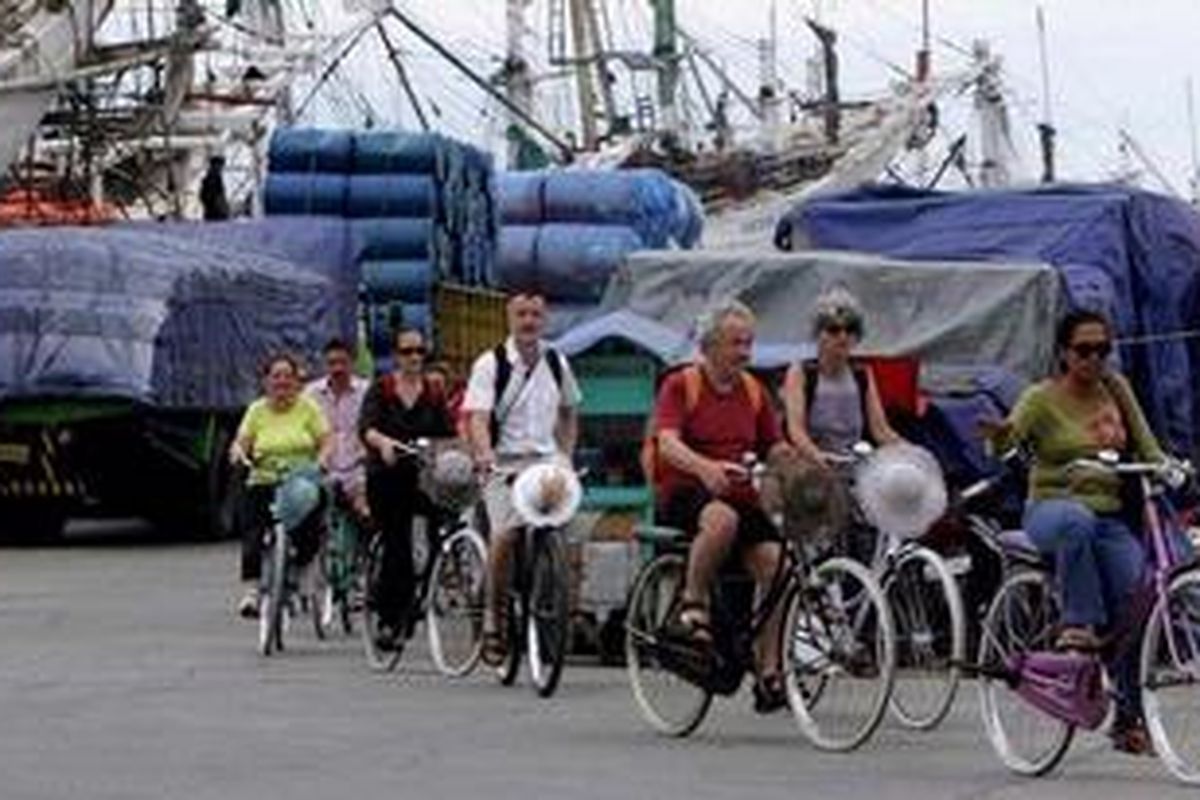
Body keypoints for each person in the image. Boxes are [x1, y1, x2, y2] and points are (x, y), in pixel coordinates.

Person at [982, 309, 1164, 755]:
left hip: (1107, 517)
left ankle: (1127, 716)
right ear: (1064, 353)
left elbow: (1146, 444)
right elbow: (1006, 442)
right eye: (1084, 350)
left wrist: (1167, 466)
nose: (1094, 359)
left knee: (1139, 600)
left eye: (1103, 349)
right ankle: (1077, 624)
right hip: (1051, 509)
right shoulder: (1041, 398)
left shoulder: (1116, 389)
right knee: (1076, 522)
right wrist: (1001, 436)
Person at [652, 299, 791, 713]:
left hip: (740, 491)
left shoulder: (753, 391)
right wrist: (704, 467)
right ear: (710, 345)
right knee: (722, 519)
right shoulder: (682, 385)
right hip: (687, 490)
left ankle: (769, 671)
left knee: (777, 565)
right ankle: (693, 604)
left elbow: (774, 444)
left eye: (748, 343)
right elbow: (667, 442)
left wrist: (794, 464)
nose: (745, 353)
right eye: (736, 343)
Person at [463, 290, 582, 667]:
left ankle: (563, 605)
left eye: (535, 314)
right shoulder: (490, 364)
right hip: (503, 463)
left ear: (544, 319)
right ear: (509, 319)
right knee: (504, 536)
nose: (529, 321)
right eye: (521, 314)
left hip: (545, 462)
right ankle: (493, 621)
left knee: (570, 530)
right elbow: (477, 418)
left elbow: (568, 412)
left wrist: (566, 455)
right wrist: (484, 453)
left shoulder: (556, 361)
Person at [781, 287, 901, 561]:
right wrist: (817, 457)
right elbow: (795, 429)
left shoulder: (862, 374)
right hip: (813, 467)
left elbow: (881, 430)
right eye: (833, 330)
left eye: (850, 329)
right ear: (818, 334)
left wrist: (911, 453)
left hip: (854, 466)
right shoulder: (801, 372)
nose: (842, 337)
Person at [359, 327, 455, 650]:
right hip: (387, 474)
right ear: (396, 355)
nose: (414, 358)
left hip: (423, 475)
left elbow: (447, 435)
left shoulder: (434, 393)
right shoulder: (382, 389)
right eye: (407, 352)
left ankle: (420, 596)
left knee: (440, 533)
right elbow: (367, 428)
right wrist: (383, 443)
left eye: (419, 352)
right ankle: (389, 619)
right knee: (397, 541)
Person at [229, 353, 332, 617]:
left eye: (288, 376)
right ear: (266, 381)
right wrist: (239, 452)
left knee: (310, 517)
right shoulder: (257, 410)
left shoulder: (308, 408)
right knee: (252, 529)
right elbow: (243, 440)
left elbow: (326, 440)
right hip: (264, 477)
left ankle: (302, 568)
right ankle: (252, 591)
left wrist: (321, 461)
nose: (282, 382)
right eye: (276, 376)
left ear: (297, 381)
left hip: (301, 479)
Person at [304, 339, 370, 521]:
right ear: (325, 365)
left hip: (358, 468)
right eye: (332, 363)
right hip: (323, 468)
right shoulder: (310, 394)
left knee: (367, 510)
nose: (337, 368)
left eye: (343, 362)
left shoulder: (367, 392)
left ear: (352, 363)